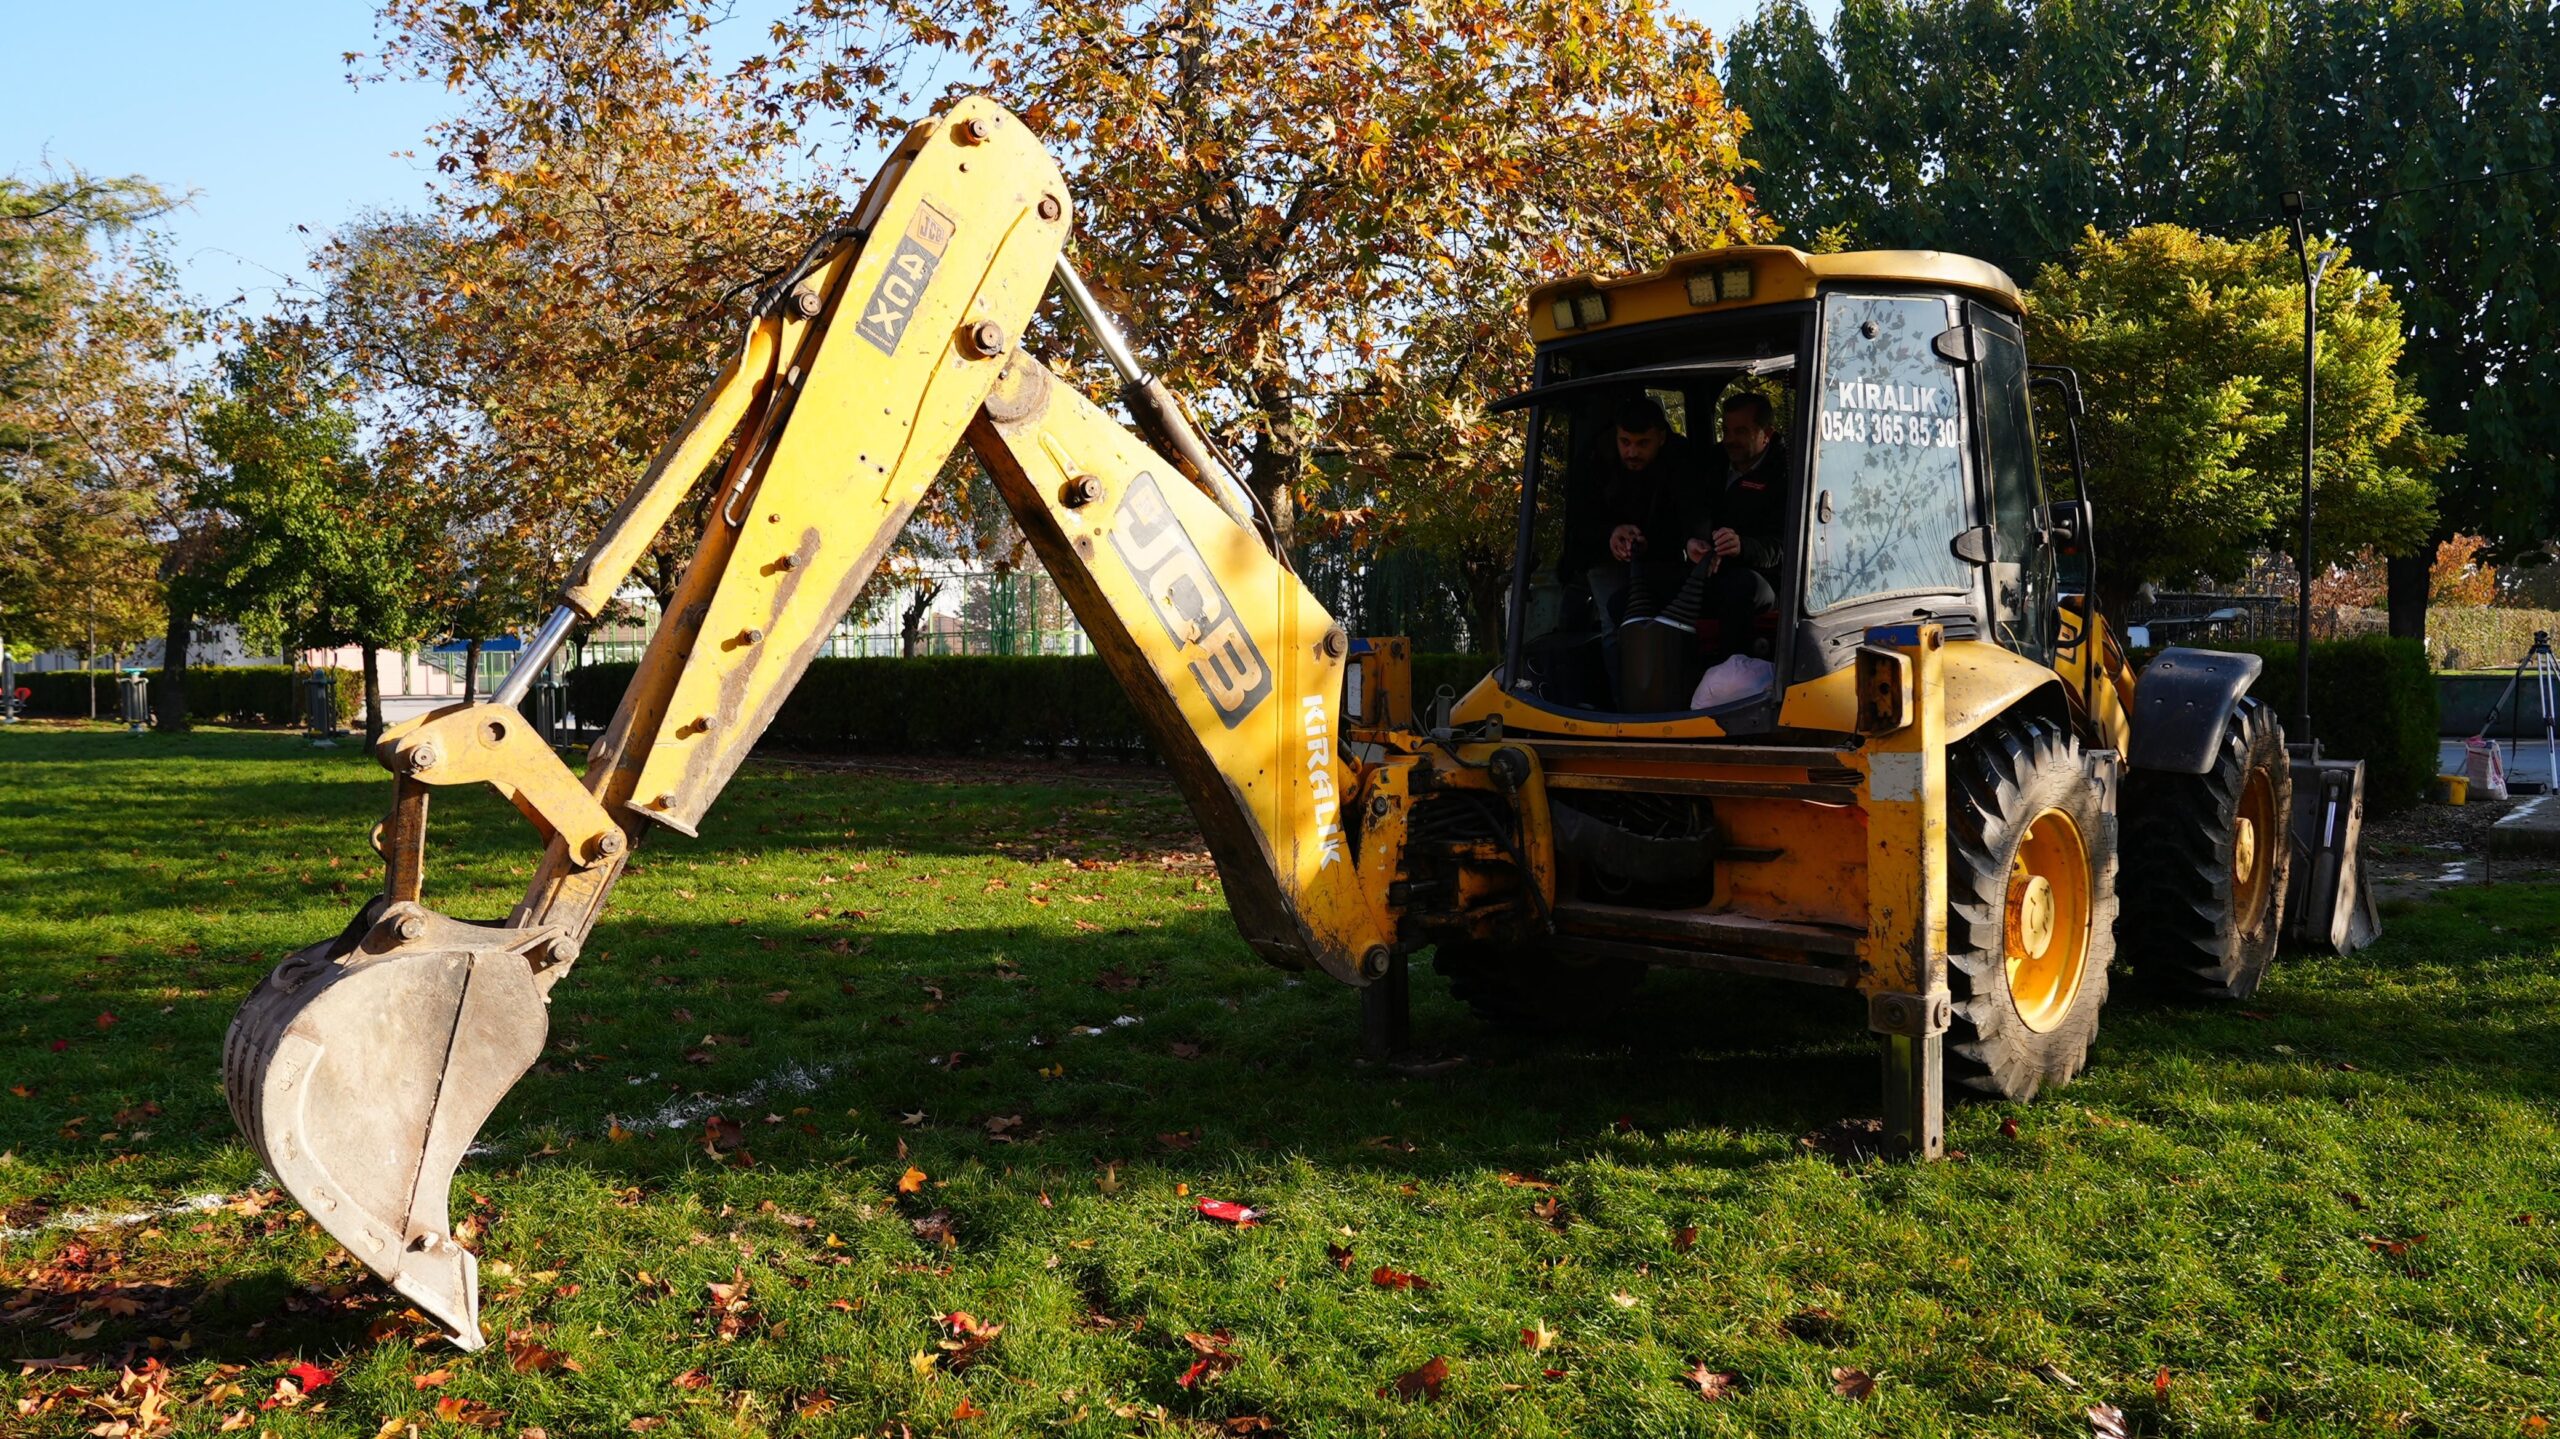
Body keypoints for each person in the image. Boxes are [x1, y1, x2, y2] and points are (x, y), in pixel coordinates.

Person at [1698, 391, 1788, 659]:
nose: (1729, 440)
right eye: (1725, 430)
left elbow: (1785, 546)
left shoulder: (1786, 472)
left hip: (1768, 579)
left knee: (1740, 588)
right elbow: (1692, 507)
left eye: (1740, 431)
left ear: (1766, 434)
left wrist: (1742, 547)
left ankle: (1730, 675)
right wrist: (1696, 539)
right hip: (1710, 568)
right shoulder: (1712, 462)